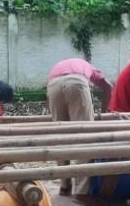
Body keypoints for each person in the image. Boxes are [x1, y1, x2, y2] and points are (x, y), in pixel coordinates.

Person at [46, 58, 115, 196]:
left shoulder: (59, 65)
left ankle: (65, 186)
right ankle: (81, 191)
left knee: (60, 137)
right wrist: (103, 113)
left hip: (52, 86)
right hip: (76, 83)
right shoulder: (89, 67)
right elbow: (108, 86)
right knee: (85, 137)